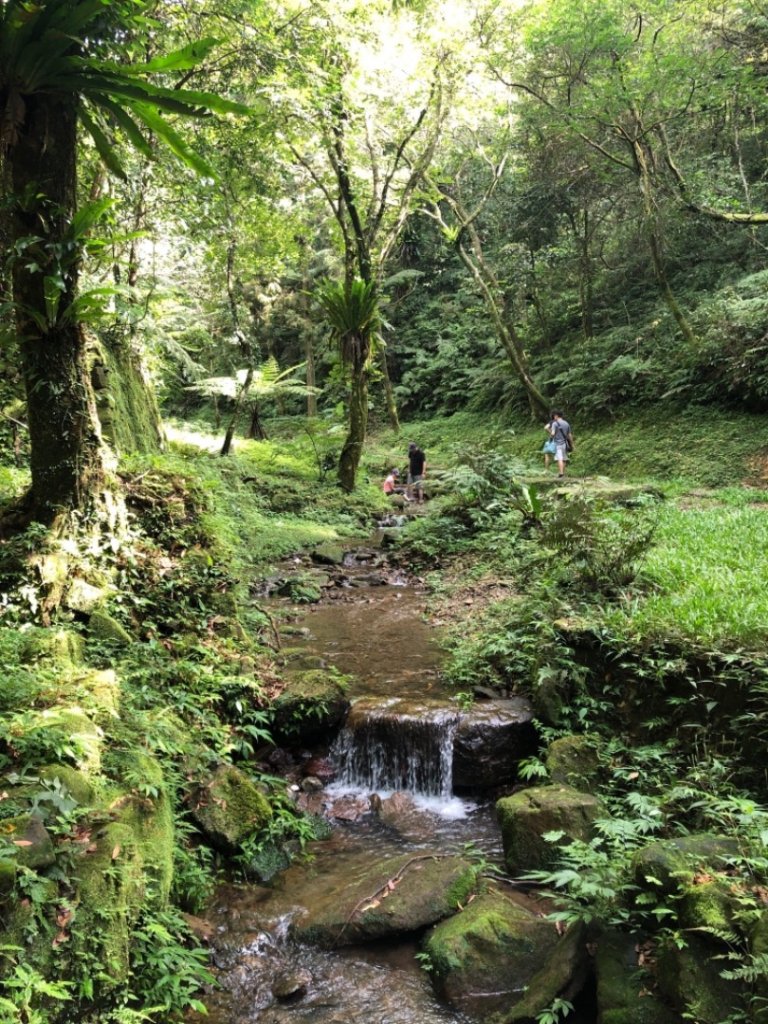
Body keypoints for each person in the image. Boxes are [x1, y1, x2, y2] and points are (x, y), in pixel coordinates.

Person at [550, 411, 573, 478]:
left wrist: (550, 438)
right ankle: (563, 473)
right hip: (565, 444)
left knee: (559, 458)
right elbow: (569, 435)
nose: (554, 417)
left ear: (556, 416)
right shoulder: (566, 423)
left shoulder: (555, 423)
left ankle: (561, 473)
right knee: (564, 458)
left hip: (558, 444)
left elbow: (553, 433)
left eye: (554, 416)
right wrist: (572, 444)